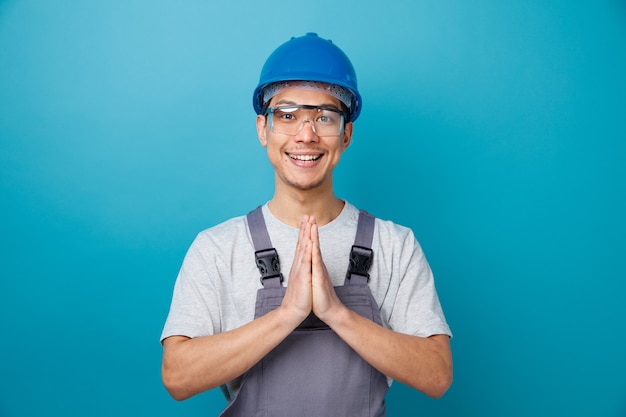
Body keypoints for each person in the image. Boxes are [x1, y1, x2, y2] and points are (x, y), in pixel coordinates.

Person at [160, 32, 452, 417]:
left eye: (325, 117)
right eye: (287, 115)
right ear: (263, 129)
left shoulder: (394, 244)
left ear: (345, 134)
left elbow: (437, 375)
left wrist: (336, 312)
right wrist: (286, 315)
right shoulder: (217, 248)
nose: (306, 134)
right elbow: (178, 378)